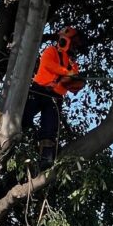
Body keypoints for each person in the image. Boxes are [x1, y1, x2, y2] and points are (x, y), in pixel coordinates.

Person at [22, 26, 87, 167]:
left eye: (77, 44)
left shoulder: (72, 64)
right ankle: (18, 142)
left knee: (50, 127)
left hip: (55, 97)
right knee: (24, 117)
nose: (75, 46)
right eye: (74, 42)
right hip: (39, 91)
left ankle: (46, 158)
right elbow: (48, 64)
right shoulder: (51, 51)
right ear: (65, 40)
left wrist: (76, 82)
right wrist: (66, 72)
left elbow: (71, 80)